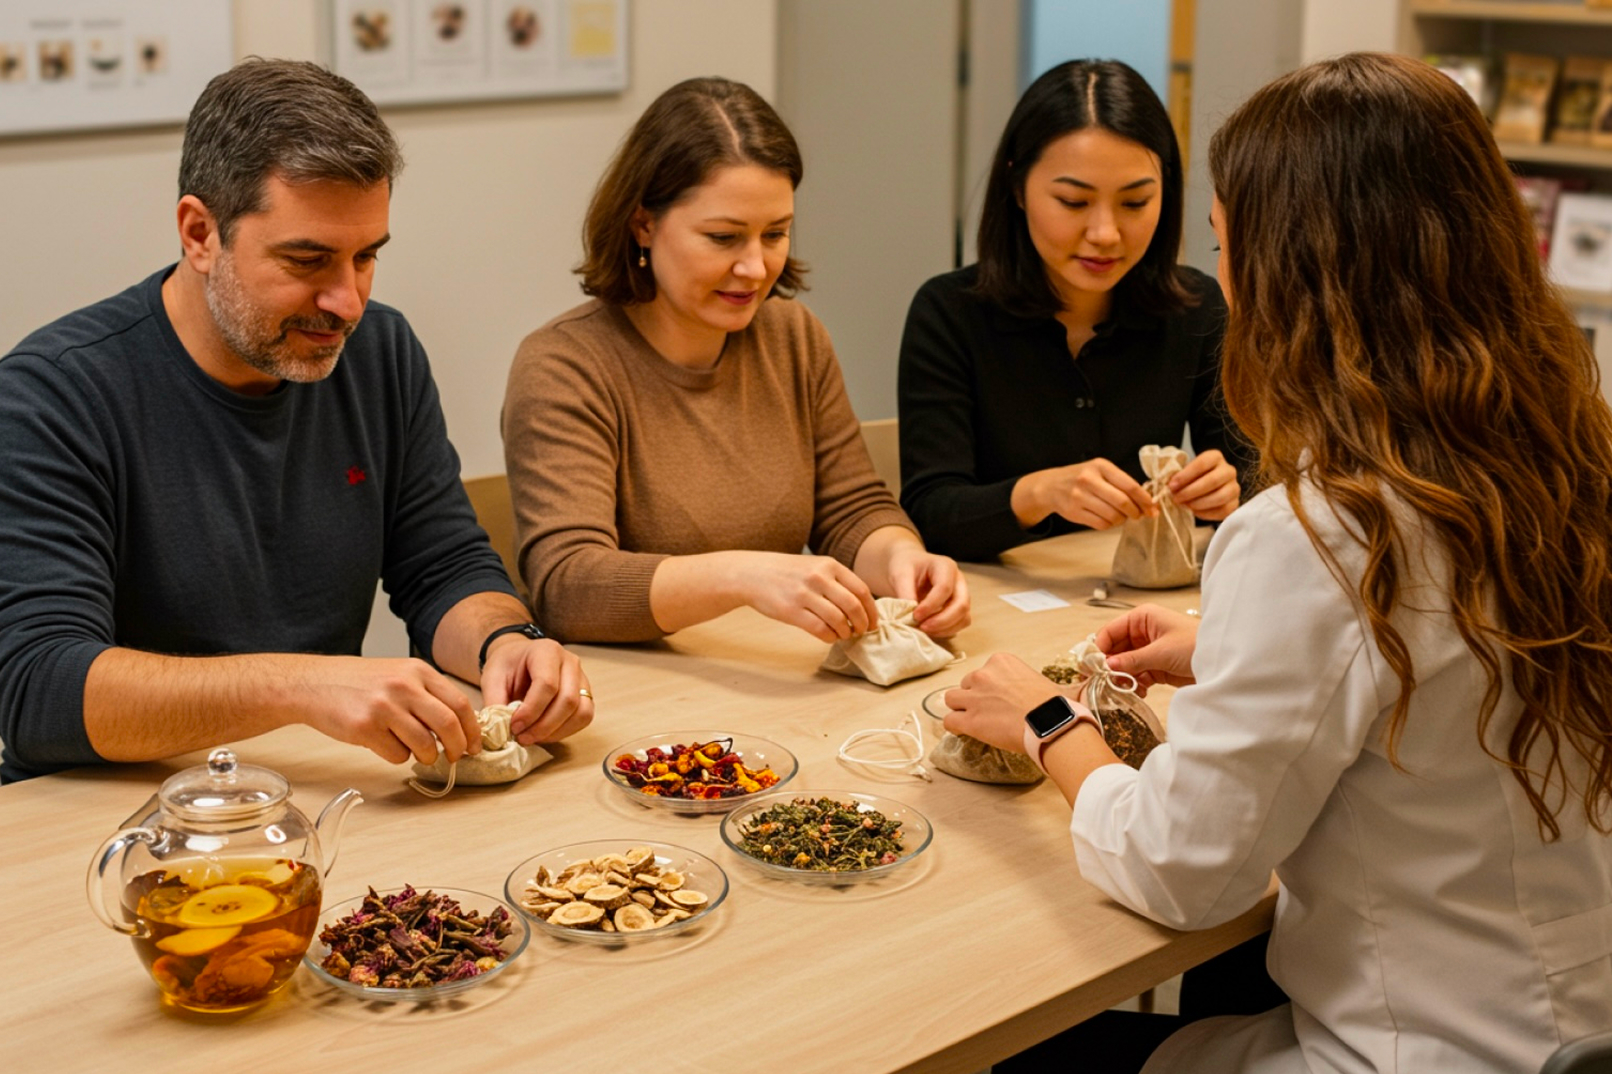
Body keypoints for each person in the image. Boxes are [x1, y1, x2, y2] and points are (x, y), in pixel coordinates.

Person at [942, 52, 1612, 1073]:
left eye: (1227, 245)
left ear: (1291, 273)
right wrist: (1227, 648)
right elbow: (1431, 671)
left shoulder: (1319, 532)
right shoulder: (1565, 462)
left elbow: (1180, 874)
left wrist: (1048, 724)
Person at [0, 59, 592, 784]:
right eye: (308, 260)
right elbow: (38, 689)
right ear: (199, 233)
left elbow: (442, 566)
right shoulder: (52, 395)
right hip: (110, 812)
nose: (348, 301)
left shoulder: (380, 351)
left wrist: (508, 642)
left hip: (307, 794)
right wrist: (302, 685)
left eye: (365, 257)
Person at [502, 77, 969, 644]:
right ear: (643, 224)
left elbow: (850, 509)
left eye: (775, 234)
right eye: (724, 238)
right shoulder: (562, 366)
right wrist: (743, 577)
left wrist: (902, 559)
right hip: (630, 682)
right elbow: (569, 588)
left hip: (761, 669)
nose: (756, 268)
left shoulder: (794, 336)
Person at [898, 59, 1253, 562]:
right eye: (1072, 201)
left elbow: (1259, 479)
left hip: (1144, 596)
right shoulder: (949, 313)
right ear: (1017, 187)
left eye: (1135, 203)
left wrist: (1228, 490)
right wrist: (1038, 493)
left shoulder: (1196, 308)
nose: (1105, 233)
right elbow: (931, 513)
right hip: (996, 598)